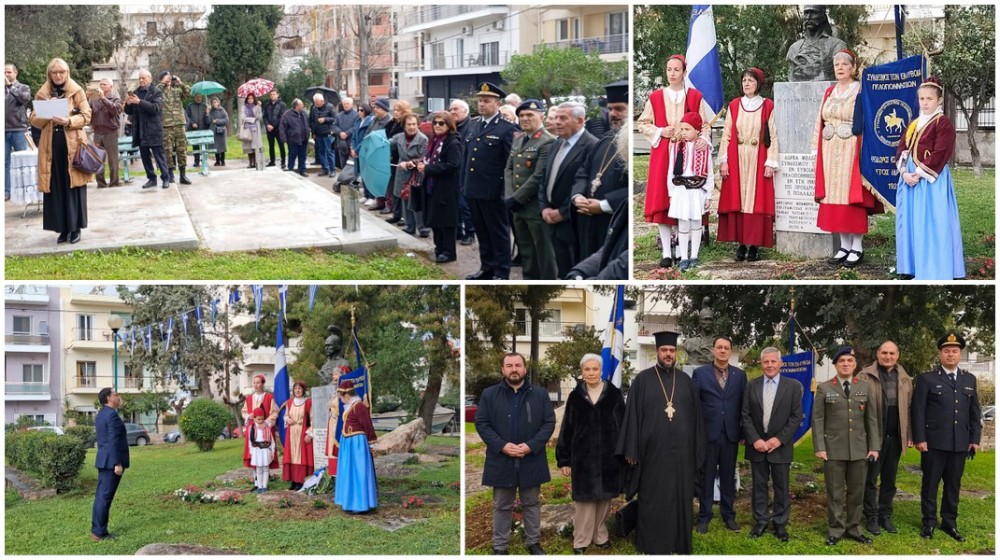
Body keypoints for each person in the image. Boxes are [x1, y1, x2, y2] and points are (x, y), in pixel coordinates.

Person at [615, 331, 706, 554]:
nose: (668, 354)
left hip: (682, 455)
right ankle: (651, 543)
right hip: (652, 454)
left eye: (672, 350)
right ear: (657, 352)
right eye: (664, 350)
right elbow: (632, 417)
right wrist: (631, 449)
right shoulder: (642, 380)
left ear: (676, 353)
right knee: (652, 497)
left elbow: (696, 419)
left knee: (680, 497)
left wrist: (697, 450)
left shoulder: (685, 381)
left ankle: (678, 542)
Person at [476, 352, 556, 555]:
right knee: (502, 505)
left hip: (531, 458)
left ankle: (533, 542)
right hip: (501, 459)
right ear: (502, 369)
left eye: (518, 365)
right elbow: (482, 424)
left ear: (525, 369)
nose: (514, 369)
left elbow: (549, 423)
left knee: (532, 503)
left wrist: (531, 445)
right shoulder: (489, 394)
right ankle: (500, 546)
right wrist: (502, 445)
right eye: (509, 365)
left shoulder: (539, 394)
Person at [639, 54, 715, 269]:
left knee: (685, 201)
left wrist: (702, 140)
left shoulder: (694, 96)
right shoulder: (655, 97)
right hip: (663, 152)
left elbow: (705, 125)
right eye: (669, 69)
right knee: (663, 200)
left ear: (684, 72)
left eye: (676, 70)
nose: (672, 73)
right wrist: (661, 130)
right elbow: (643, 122)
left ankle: (684, 251)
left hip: (688, 153)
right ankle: (665, 251)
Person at [911, 333, 982, 542]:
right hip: (933, 443)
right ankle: (929, 523)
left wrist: (974, 439)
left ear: (960, 354)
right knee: (930, 484)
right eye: (946, 351)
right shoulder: (927, 379)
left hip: (960, 443)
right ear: (940, 354)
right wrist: (920, 438)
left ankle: (949, 523)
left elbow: (974, 412)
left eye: (955, 351)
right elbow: (918, 411)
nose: (951, 354)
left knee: (953, 485)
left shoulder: (969, 379)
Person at [813, 49, 880, 267]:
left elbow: (869, 119)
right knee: (833, 197)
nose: (840, 68)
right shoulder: (829, 92)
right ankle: (843, 245)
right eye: (836, 65)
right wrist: (816, 147)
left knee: (851, 195)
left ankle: (857, 247)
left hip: (852, 147)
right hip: (830, 149)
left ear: (853, 67)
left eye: (844, 64)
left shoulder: (860, 89)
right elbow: (819, 121)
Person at [895, 77, 965, 280]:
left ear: (939, 100)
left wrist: (918, 173)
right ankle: (912, 266)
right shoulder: (914, 123)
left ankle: (935, 267)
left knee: (931, 222)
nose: (925, 103)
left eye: (929, 99)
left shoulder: (943, 124)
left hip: (929, 181)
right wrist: (904, 173)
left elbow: (941, 152)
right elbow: (902, 148)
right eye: (922, 98)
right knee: (911, 222)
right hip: (910, 180)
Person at [555, 354, 625, 555]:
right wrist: (565, 459)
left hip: (608, 458)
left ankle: (600, 536)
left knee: (604, 501)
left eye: (595, 369)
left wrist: (624, 453)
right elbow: (566, 428)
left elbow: (623, 425)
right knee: (584, 503)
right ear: (582, 372)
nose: (591, 373)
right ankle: (581, 540)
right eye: (587, 369)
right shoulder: (575, 396)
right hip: (583, 459)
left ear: (601, 370)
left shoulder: (614, 394)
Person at [813, 346, 880, 546]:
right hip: (833, 449)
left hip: (859, 449)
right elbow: (817, 419)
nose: (846, 364)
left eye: (849, 361)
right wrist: (819, 446)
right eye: (841, 361)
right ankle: (835, 529)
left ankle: (854, 528)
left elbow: (872, 420)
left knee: (856, 491)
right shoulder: (825, 388)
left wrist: (874, 446)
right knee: (834, 492)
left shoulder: (864, 387)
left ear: (855, 364)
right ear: (835, 364)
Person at [740, 347, 803, 542]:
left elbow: (795, 417)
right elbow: (745, 414)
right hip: (757, 445)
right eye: (766, 362)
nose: (769, 365)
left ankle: (780, 523)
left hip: (780, 446)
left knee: (781, 487)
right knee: (759, 486)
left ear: (780, 363)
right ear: (761, 364)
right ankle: (760, 522)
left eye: (773, 361)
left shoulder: (793, 386)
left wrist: (779, 439)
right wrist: (756, 439)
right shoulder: (752, 385)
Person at [717, 68, 779, 262]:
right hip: (737, 157)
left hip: (758, 157)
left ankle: (754, 245)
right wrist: (724, 161)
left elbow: (774, 136)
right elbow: (727, 135)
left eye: (750, 80)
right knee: (739, 199)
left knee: (755, 200)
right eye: (744, 80)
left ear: (758, 84)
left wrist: (771, 162)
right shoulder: (735, 105)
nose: (746, 83)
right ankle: (741, 244)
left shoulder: (767, 105)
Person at [30, 58, 93, 245]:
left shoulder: (76, 91)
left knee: (73, 185)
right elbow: (34, 119)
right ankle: (62, 229)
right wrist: (47, 111)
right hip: (51, 146)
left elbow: (87, 116)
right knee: (55, 185)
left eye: (62, 72)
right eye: (54, 72)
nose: (58, 75)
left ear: (67, 73)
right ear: (49, 74)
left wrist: (68, 121)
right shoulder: (43, 93)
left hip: (72, 145)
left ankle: (75, 228)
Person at [462, 83, 518, 280]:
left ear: (497, 103)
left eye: (487, 101)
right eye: (480, 100)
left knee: (499, 233)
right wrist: (464, 184)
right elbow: (467, 157)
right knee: (482, 232)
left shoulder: (506, 128)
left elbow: (509, 163)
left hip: (494, 191)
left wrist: (505, 191)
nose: (482, 104)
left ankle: (502, 271)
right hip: (473, 189)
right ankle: (487, 268)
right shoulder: (474, 124)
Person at [692, 336, 747, 534]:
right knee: (706, 477)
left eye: (726, 348)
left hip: (730, 435)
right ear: (713, 350)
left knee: (727, 476)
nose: (723, 351)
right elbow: (695, 407)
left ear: (730, 351)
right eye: (719, 347)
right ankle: (704, 516)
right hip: (708, 435)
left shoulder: (740, 376)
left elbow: (743, 407)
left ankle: (728, 515)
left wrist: (742, 432)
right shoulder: (700, 374)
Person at [857, 340, 912, 535]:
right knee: (870, 479)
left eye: (892, 353)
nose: (887, 356)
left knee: (889, 479)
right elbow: (857, 409)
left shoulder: (905, 378)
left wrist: (909, 435)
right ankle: (871, 517)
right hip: (873, 438)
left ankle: (885, 516)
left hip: (895, 437)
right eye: (884, 353)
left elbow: (909, 409)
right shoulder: (864, 375)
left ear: (897, 356)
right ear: (877, 354)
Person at [571, 80, 630, 263]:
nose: (613, 114)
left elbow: (635, 189)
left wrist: (604, 205)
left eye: (619, 109)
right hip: (588, 221)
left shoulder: (629, 143)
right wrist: (578, 196)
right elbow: (583, 173)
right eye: (610, 109)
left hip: (614, 221)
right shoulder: (603, 141)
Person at [539, 102, 598, 278]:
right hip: (551, 218)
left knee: (576, 270)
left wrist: (563, 212)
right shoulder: (557, 143)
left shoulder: (591, 145)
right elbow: (544, 179)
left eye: (563, 118)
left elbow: (587, 185)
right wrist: (544, 207)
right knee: (562, 268)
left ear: (579, 120)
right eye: (556, 117)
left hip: (573, 221)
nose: (557, 122)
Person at [504, 99, 556, 279]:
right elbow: (509, 168)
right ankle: (529, 280)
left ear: (541, 116)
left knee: (543, 252)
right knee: (526, 251)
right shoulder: (518, 139)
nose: (525, 119)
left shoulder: (547, 142)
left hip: (535, 207)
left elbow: (538, 176)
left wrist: (516, 198)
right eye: (521, 115)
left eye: (529, 115)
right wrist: (509, 196)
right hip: (518, 207)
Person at [669, 111, 713, 271]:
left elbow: (709, 172)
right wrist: (671, 192)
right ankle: (684, 257)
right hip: (680, 189)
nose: (684, 133)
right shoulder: (676, 147)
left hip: (697, 189)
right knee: (683, 223)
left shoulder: (704, 147)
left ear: (697, 131)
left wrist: (708, 194)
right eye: (682, 129)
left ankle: (694, 255)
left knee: (696, 222)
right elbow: (670, 172)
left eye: (687, 129)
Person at [417, 111, 463, 263]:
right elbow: (428, 159)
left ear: (449, 125)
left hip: (446, 189)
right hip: (432, 186)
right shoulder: (434, 140)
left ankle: (449, 252)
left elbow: (453, 165)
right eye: (435, 123)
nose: (437, 125)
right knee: (435, 220)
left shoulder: (453, 142)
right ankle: (439, 248)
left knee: (446, 222)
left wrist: (428, 169)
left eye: (441, 123)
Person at [333, 379, 378, 513]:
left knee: (358, 472)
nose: (341, 400)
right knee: (349, 472)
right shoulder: (350, 406)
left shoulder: (358, 406)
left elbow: (367, 425)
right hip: (348, 444)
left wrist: (371, 443)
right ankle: (350, 502)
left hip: (357, 444)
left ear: (346, 395)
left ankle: (361, 504)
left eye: (341, 397)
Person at [92, 387, 128, 541]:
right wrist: (117, 463)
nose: (118, 397)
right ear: (108, 398)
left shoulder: (101, 414)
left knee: (101, 496)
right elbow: (113, 440)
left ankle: (97, 530)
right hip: (111, 463)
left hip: (103, 460)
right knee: (104, 497)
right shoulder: (112, 416)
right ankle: (99, 533)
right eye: (115, 395)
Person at [123, 69, 170, 189]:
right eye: (139, 78)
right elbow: (130, 112)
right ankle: (151, 178)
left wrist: (139, 102)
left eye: (143, 78)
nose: (141, 80)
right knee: (144, 157)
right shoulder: (136, 92)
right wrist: (128, 104)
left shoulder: (156, 92)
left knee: (159, 156)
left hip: (153, 130)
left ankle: (166, 178)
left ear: (150, 78)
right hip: (140, 131)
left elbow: (155, 108)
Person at [390, 112, 429, 236]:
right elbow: (388, 143)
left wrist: (410, 163)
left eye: (414, 124)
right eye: (409, 124)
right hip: (402, 172)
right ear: (404, 126)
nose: (412, 127)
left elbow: (424, 156)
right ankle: (409, 226)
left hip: (417, 172)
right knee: (405, 198)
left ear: (418, 125)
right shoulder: (399, 137)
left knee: (417, 200)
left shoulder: (423, 139)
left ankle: (423, 228)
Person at [786, 6, 848, 82]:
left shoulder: (837, 45)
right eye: (806, 13)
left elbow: (843, 77)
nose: (809, 17)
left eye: (814, 13)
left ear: (823, 16)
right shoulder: (794, 48)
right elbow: (791, 78)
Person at [449, 98, 476, 245]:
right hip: (453, 172)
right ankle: (458, 230)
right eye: (451, 109)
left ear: (465, 111)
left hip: (466, 172)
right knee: (455, 205)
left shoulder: (472, 127)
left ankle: (470, 232)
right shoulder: (452, 126)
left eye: (456, 109)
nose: (453, 112)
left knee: (465, 205)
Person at [157, 71, 191, 185]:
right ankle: (170, 175)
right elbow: (154, 93)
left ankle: (183, 175)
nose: (169, 80)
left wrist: (180, 82)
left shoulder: (177, 90)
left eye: (170, 78)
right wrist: (163, 83)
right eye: (166, 78)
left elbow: (188, 93)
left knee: (182, 150)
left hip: (179, 124)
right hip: (166, 126)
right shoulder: (159, 91)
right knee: (168, 151)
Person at [88, 78, 122, 189]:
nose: (102, 86)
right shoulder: (94, 99)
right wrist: (87, 97)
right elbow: (88, 111)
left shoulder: (115, 98)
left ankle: (114, 182)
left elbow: (115, 110)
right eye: (100, 84)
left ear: (110, 86)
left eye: (104, 84)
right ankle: (101, 183)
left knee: (113, 159)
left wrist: (103, 98)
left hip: (111, 133)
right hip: (98, 132)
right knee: (98, 159)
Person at [242, 374, 278, 475]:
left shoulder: (269, 397)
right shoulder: (249, 398)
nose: (256, 385)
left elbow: (274, 412)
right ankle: (256, 480)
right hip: (253, 430)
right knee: (254, 453)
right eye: (254, 383)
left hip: (265, 429)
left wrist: (266, 422)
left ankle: (265, 478)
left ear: (262, 383)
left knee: (264, 453)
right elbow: (244, 411)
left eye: (258, 382)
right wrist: (249, 416)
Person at [5, 62, 31, 201]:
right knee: (4, 162)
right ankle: (6, 192)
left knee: (24, 161)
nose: (6, 75)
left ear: (16, 73)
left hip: (19, 129)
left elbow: (24, 99)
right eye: (4, 72)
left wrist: (10, 86)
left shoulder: (23, 87)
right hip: (3, 130)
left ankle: (27, 190)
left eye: (8, 72)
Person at [281, 381, 314, 491]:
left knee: (300, 456)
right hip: (291, 432)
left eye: (300, 389)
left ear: (303, 390)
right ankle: (293, 481)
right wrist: (287, 419)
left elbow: (313, 419)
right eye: (296, 389)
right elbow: (285, 415)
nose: (297, 391)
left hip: (302, 431)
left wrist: (309, 433)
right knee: (292, 456)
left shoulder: (308, 402)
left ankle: (300, 481)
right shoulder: (290, 402)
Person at [383, 99, 412, 218]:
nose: (395, 112)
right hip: (390, 157)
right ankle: (396, 212)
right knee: (393, 187)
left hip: (399, 159)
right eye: (394, 110)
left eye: (398, 110)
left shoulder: (405, 125)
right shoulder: (392, 123)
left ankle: (401, 215)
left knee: (400, 187)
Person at [247, 407, 276, 493]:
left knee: (266, 468)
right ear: (254, 418)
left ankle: (265, 486)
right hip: (256, 451)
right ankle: (259, 486)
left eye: (262, 419)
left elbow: (272, 440)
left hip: (265, 450)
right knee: (258, 468)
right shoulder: (252, 428)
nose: (260, 421)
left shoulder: (267, 427)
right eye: (258, 419)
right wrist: (251, 451)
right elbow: (250, 440)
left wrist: (272, 451)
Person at [279, 98, 310, 177]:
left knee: (303, 155)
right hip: (293, 139)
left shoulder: (304, 113)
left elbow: (307, 124)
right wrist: (284, 139)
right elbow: (282, 127)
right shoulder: (287, 114)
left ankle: (302, 170)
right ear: (296, 106)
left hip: (304, 139)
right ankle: (290, 170)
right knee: (292, 155)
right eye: (301, 105)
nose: (303, 106)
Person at [309, 93, 337, 176]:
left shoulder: (330, 107)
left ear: (322, 101)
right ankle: (325, 169)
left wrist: (325, 119)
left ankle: (332, 170)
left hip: (327, 133)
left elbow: (335, 118)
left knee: (329, 152)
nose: (315, 104)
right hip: (318, 134)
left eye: (317, 102)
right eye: (314, 102)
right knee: (321, 152)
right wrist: (313, 133)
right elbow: (312, 121)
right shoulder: (314, 108)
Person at [262, 89, 287, 169]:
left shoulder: (282, 104)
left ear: (277, 95)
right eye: (271, 94)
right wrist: (267, 125)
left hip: (279, 129)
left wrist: (273, 125)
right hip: (269, 129)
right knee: (271, 146)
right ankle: (272, 161)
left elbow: (282, 117)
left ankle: (283, 162)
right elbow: (264, 116)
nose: (272, 96)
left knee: (281, 145)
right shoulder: (267, 105)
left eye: (274, 94)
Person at [184, 92, 210, 168]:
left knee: (204, 146)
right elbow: (187, 116)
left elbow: (208, 121)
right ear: (194, 98)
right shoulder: (190, 106)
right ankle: (196, 161)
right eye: (197, 97)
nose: (198, 99)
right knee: (195, 146)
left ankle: (204, 160)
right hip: (194, 129)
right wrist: (192, 123)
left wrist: (207, 114)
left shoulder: (205, 106)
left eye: (200, 97)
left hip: (203, 129)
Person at [334, 97, 358, 170]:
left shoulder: (356, 115)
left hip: (351, 142)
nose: (346, 105)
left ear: (351, 104)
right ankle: (343, 178)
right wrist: (340, 133)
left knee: (352, 163)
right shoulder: (338, 115)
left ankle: (351, 178)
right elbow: (334, 125)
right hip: (341, 142)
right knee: (342, 162)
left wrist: (347, 133)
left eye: (347, 104)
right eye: (344, 104)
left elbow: (356, 126)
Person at [240, 93, 263, 169]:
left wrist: (259, 108)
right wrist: (252, 119)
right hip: (247, 129)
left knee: (255, 146)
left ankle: (256, 163)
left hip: (255, 129)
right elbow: (243, 117)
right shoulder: (243, 107)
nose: (250, 100)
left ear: (254, 99)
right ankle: (250, 163)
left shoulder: (257, 106)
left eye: (252, 98)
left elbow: (259, 117)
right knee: (248, 147)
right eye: (249, 98)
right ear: (247, 99)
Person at [208, 97, 229, 167]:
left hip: (222, 130)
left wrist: (217, 121)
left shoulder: (222, 110)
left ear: (218, 103)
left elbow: (226, 120)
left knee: (222, 146)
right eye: (213, 102)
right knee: (216, 146)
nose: (214, 104)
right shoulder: (210, 111)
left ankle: (223, 161)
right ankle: (217, 161)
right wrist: (207, 114)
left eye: (215, 102)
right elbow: (208, 120)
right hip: (214, 131)